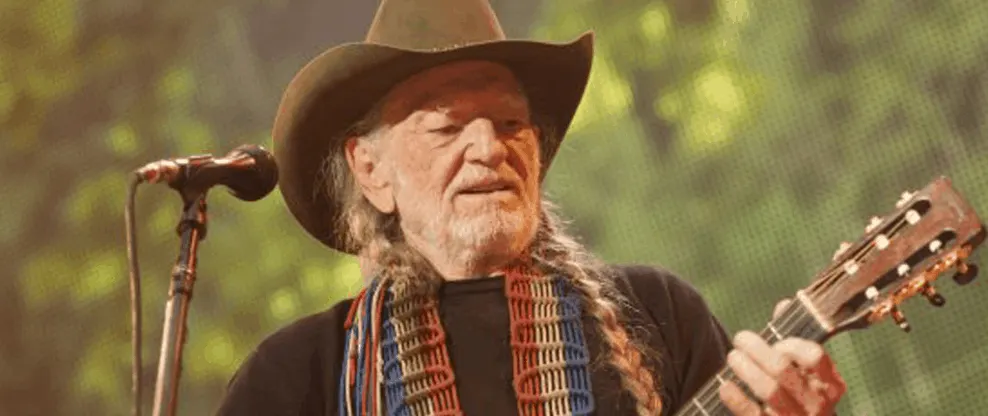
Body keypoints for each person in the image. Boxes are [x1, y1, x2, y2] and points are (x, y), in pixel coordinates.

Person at [216, 0, 847, 415]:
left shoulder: (658, 315)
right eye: (446, 128)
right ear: (371, 171)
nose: (489, 147)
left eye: (511, 121)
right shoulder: (295, 377)